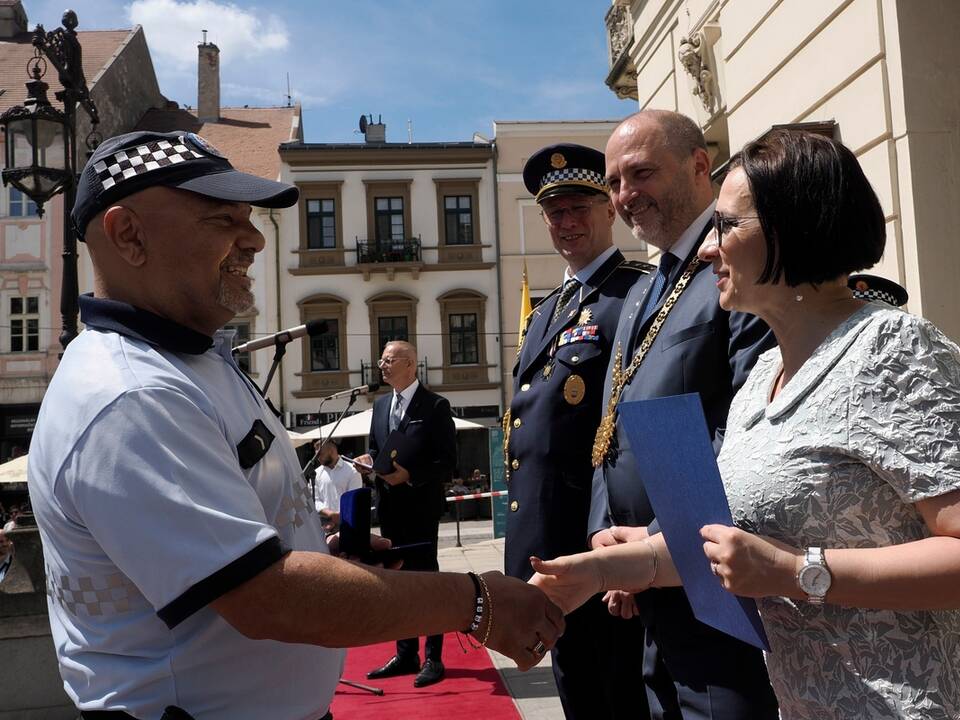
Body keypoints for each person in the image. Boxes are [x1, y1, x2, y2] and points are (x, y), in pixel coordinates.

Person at [27, 130, 564, 719]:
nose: (254, 239)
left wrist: (325, 557)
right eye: (220, 219)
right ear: (128, 234)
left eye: (248, 218)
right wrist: (477, 601)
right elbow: (268, 599)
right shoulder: (132, 394)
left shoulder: (190, 361)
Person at [530, 128, 960, 719]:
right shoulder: (768, 370)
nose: (709, 249)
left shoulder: (896, 351)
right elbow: (737, 546)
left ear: (795, 228)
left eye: (728, 227)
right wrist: (600, 569)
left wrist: (798, 573)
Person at [589, 109, 777, 718]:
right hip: (652, 593)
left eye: (640, 173)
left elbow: (750, 424)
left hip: (720, 582)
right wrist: (606, 537)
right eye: (615, 182)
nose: (624, 195)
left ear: (699, 165)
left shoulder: (735, 266)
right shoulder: (645, 286)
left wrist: (646, 547)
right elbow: (610, 428)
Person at [504, 143, 652, 719]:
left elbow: (629, 437)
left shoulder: (634, 295)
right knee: (580, 697)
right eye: (554, 213)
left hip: (600, 548)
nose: (566, 223)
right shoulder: (546, 312)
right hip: (555, 552)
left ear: (609, 208)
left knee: (621, 699)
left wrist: (623, 554)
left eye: (579, 208)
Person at [355, 340, 456, 688]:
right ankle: (406, 653)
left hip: (421, 508)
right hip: (389, 508)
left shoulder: (436, 406)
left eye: (388, 360)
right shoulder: (381, 406)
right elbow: (374, 448)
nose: (381, 365)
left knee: (426, 581)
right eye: (381, 360)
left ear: (410, 364)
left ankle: (433, 657)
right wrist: (369, 462)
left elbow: (447, 461)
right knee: (397, 582)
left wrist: (410, 475)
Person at [312, 439, 363, 532]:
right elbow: (315, 500)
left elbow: (355, 500)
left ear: (332, 451)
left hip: (348, 524)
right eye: (316, 455)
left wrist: (339, 518)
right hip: (324, 525)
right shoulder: (316, 473)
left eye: (320, 454)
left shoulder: (352, 471)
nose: (317, 458)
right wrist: (330, 514)